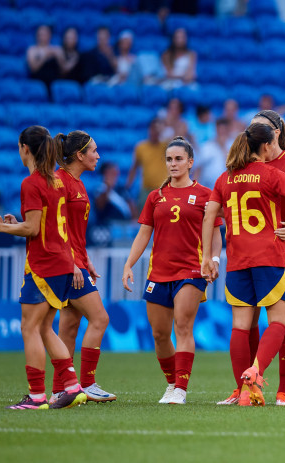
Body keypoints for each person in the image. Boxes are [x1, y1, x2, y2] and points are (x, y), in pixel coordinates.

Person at [201, 123, 285, 407]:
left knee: (240, 327)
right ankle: (256, 372)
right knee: (279, 321)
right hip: (270, 257)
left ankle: (242, 390)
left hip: (238, 260)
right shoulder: (271, 173)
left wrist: (207, 257)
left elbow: (209, 216)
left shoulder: (224, 178)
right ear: (266, 146)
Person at [0, 126, 87, 409]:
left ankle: (36, 396)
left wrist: (2, 228)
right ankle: (72, 386)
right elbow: (42, 224)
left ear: (24, 148)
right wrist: (16, 222)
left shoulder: (31, 183)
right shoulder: (56, 181)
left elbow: (32, 228)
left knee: (29, 327)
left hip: (43, 264)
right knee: (44, 327)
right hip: (62, 262)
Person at [122, 137, 223, 405]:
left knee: (183, 326)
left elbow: (215, 234)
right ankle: (170, 383)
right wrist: (128, 264)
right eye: (169, 159)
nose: (173, 164)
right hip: (159, 273)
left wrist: (214, 259)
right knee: (159, 334)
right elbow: (144, 233)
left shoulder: (205, 195)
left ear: (190, 162)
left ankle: (181, 388)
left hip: (192, 271)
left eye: (179, 159)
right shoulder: (155, 196)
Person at [50, 131, 116, 404]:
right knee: (100, 319)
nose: (98, 156)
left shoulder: (77, 183)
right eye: (94, 151)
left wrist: (84, 258)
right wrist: (73, 262)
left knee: (69, 326)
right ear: (79, 155)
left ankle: (60, 389)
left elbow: (74, 230)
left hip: (76, 263)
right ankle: (87, 384)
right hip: (66, 266)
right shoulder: (59, 182)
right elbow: (55, 229)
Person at [126, 118, 169, 210]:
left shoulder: (165, 146)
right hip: (146, 190)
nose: (155, 132)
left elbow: (178, 138)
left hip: (163, 189)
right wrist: (128, 185)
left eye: (157, 129)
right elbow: (134, 168)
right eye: (153, 128)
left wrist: (163, 129)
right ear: (149, 129)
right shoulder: (141, 147)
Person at [195, 117, 232, 189]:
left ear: (228, 130)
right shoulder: (207, 146)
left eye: (224, 131)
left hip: (228, 189)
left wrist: (223, 147)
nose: (222, 133)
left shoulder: (234, 145)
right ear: (216, 130)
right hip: (208, 188)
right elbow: (198, 168)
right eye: (220, 130)